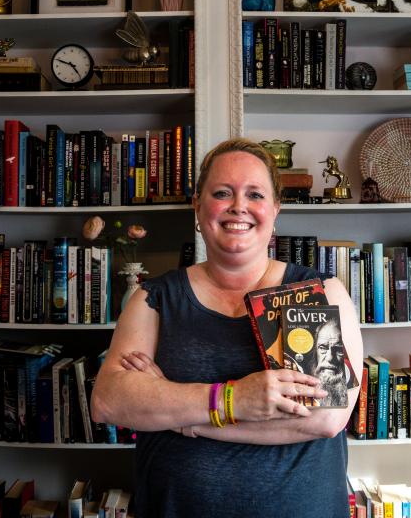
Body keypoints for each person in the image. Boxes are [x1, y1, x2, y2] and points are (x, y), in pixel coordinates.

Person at [91, 138, 363, 518]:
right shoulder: (155, 298)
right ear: (198, 208)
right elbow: (109, 401)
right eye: (222, 193)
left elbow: (324, 418)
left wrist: (184, 417)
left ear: (275, 211)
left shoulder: (319, 293)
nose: (239, 206)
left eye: (255, 194)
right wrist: (233, 398)